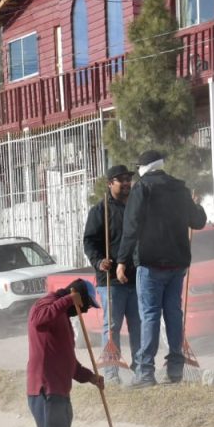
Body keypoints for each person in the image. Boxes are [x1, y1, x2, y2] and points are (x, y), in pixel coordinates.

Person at [116, 150, 207, 387]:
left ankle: (146, 372)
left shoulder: (142, 188)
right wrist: (198, 206)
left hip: (150, 262)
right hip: (177, 263)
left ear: (143, 168)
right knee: (174, 313)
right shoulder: (180, 188)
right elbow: (197, 221)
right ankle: (175, 369)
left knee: (150, 315)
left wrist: (122, 261)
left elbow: (131, 226)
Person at [24, 279, 105, 427]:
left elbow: (67, 360)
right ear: (75, 296)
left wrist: (89, 376)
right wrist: (69, 299)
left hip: (58, 390)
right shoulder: (45, 305)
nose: (85, 310)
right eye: (85, 304)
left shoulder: (62, 319)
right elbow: (38, 320)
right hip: (45, 390)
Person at [83, 164, 140, 385]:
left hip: (136, 277)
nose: (126, 183)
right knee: (113, 326)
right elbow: (89, 242)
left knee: (138, 324)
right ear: (110, 184)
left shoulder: (136, 207)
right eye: (121, 179)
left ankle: (140, 367)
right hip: (111, 280)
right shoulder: (100, 211)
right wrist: (99, 261)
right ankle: (112, 372)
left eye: (128, 179)